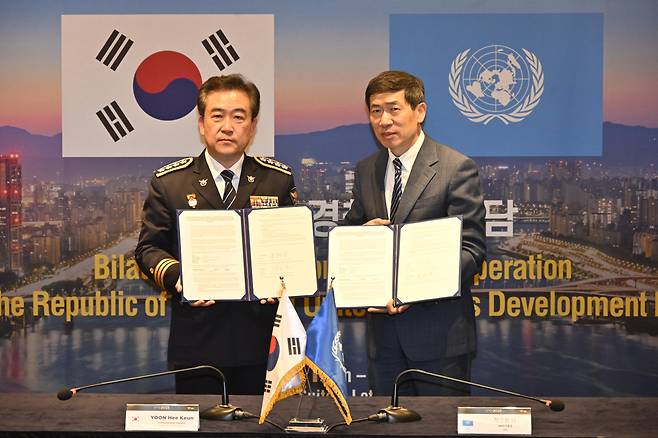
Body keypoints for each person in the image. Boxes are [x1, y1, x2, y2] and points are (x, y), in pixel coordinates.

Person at [135, 74, 297, 395]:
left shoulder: (277, 180)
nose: (227, 126)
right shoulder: (170, 182)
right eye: (217, 116)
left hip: (260, 340)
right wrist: (181, 278)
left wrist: (281, 279)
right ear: (201, 124)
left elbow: (290, 250)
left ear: (252, 126)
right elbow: (149, 248)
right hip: (198, 339)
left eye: (239, 117)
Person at [344, 71, 486, 396]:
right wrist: (360, 237)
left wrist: (412, 288)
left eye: (394, 109)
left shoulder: (455, 167)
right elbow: (348, 232)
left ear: (419, 111)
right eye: (376, 111)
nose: (384, 120)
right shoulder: (367, 169)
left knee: (440, 430)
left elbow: (472, 251)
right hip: (383, 339)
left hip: (439, 337)